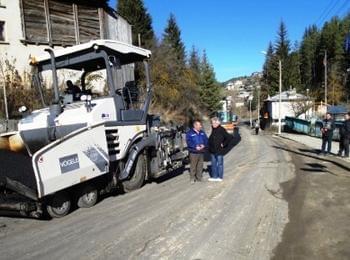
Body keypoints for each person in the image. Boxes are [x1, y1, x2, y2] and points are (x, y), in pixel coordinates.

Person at [208, 117, 233, 182]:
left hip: (219, 150)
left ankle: (220, 177)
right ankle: (214, 177)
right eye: (213, 123)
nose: (214, 124)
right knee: (213, 164)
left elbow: (229, 137)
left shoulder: (221, 129)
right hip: (212, 150)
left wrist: (224, 144)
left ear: (218, 123)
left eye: (215, 122)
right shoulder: (213, 129)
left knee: (220, 164)